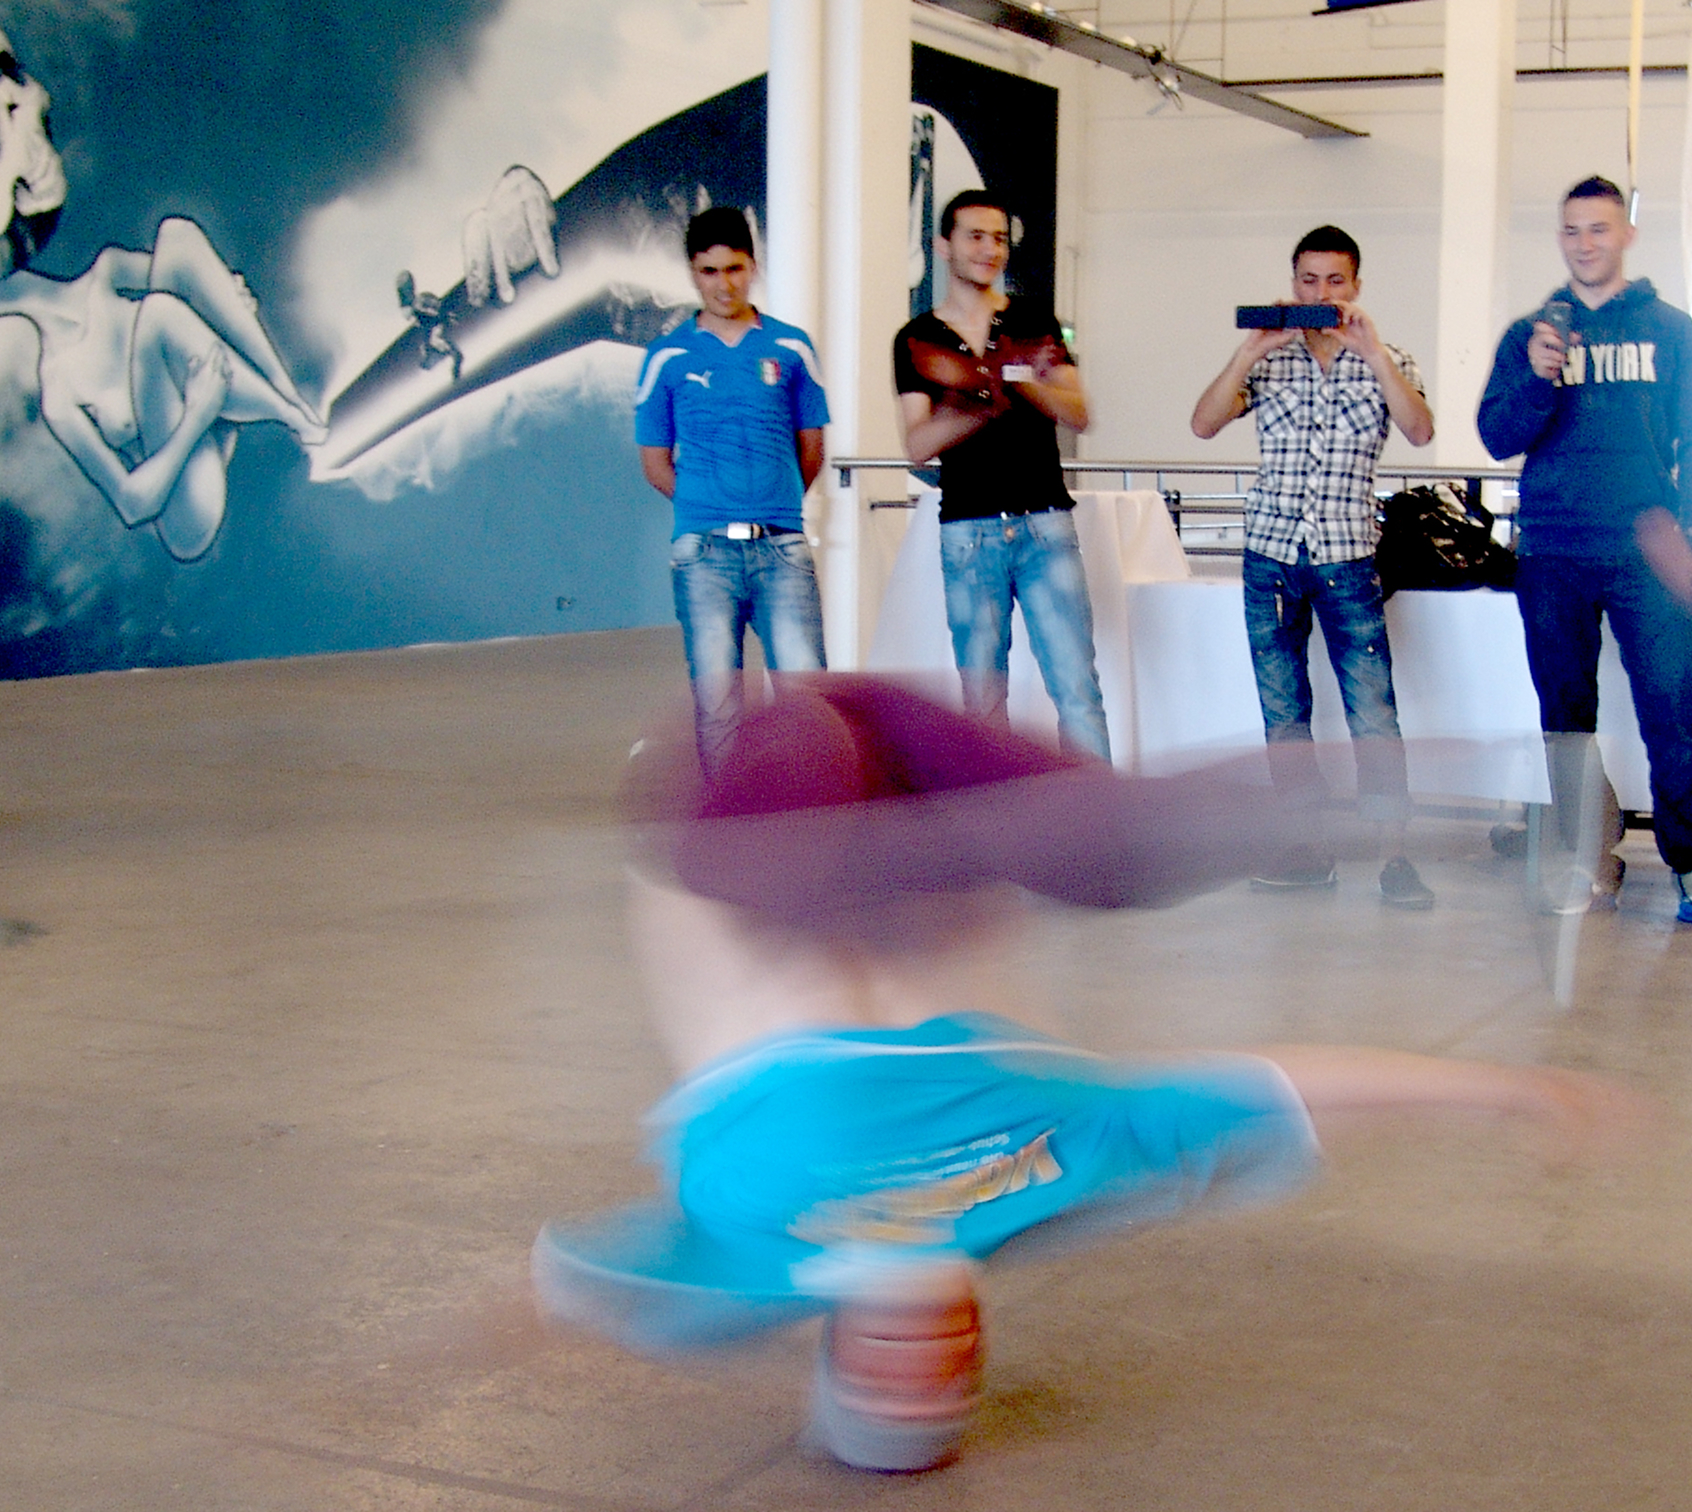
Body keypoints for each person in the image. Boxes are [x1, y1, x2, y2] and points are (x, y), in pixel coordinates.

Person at [531, 675, 1638, 1474]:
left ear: (838, 1353)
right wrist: (1510, 1091)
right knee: (1116, 849)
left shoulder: (742, 1257)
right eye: (948, 1380)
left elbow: (572, 1281)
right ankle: (1416, 782)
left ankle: (755, 714)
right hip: (932, 828)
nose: (926, 1356)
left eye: (885, 1377)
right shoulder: (1052, 1176)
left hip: (770, 849)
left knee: (786, 826)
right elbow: (1277, 1086)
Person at [0, 31, 326, 563]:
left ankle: (289, 403)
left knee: (177, 235)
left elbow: (194, 273)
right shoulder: (59, 391)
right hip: (186, 503)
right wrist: (199, 412)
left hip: (218, 398)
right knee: (154, 319)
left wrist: (228, 296)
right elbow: (133, 504)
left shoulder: (104, 278)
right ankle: (286, 412)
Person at [1191, 225, 1437, 908]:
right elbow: (1203, 423)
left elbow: (1419, 429)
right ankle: (1305, 849)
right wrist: (1248, 352)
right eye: (1308, 280)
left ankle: (1395, 858)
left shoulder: (1389, 358)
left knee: (1373, 710)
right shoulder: (1270, 362)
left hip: (1348, 556)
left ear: (1356, 286)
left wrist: (1374, 352)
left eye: (1335, 281)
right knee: (1283, 713)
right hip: (1270, 554)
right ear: (1292, 282)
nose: (1320, 293)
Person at [1477, 176, 1692, 924]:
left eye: (1599, 229)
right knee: (1566, 717)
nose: (1585, 243)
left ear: (1626, 235)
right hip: (1554, 552)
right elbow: (1498, 436)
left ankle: (1690, 867)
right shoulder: (1529, 335)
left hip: (1647, 553)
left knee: (1672, 708)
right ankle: (1589, 861)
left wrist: (1686, 534)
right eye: (1572, 231)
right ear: (1561, 238)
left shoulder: (1672, 331)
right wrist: (1538, 379)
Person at [893, 189, 1110, 763]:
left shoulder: (1034, 320)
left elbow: (1079, 413)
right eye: (975, 236)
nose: (990, 250)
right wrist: (979, 398)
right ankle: (993, 840)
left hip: (1045, 520)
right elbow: (917, 444)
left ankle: (1101, 834)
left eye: (999, 239)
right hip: (968, 529)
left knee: (1077, 688)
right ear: (944, 246)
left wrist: (1019, 380)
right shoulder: (918, 338)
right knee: (982, 700)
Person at [635, 206, 829, 773]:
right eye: (710, 271)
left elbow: (811, 449)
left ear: (754, 266)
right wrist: (705, 506)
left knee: (808, 698)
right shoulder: (667, 356)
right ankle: (730, 833)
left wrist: (777, 504)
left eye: (736, 268)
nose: (725, 283)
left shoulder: (792, 348)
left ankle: (814, 819)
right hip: (703, 555)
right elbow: (654, 463)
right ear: (694, 274)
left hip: (782, 548)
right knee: (718, 702)